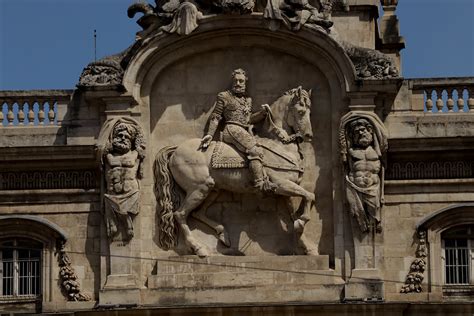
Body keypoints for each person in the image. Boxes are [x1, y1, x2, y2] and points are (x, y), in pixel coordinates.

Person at [200, 68, 276, 193]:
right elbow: (216, 116)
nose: (238, 83)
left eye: (241, 81)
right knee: (254, 150)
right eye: (236, 80)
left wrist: (263, 113)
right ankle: (259, 183)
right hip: (231, 129)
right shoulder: (224, 96)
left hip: (245, 130)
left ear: (245, 82)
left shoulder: (248, 100)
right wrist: (209, 134)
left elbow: (248, 120)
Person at [104, 120, 145, 241]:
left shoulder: (135, 153)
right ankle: (120, 221)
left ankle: (126, 220)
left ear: (131, 140)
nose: (123, 138)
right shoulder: (109, 155)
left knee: (124, 207)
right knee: (108, 200)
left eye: (126, 136)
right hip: (113, 192)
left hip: (131, 191)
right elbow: (105, 156)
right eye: (120, 135)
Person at [345, 118, 382, 233]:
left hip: (372, 189)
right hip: (354, 188)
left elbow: (382, 138)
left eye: (362, 130)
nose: (360, 133)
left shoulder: (377, 150)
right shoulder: (351, 151)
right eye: (356, 132)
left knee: (374, 216)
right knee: (356, 214)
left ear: (370, 131)